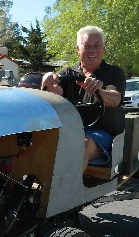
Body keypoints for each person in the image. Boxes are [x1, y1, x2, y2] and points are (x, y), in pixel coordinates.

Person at [41, 25, 126, 170]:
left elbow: (115, 99)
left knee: (81, 145)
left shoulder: (114, 72)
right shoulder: (66, 73)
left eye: (97, 45)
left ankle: (67, 192)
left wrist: (99, 91)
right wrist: (46, 81)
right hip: (68, 130)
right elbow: (50, 96)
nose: (92, 50)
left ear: (103, 48)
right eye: (87, 46)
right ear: (78, 49)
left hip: (101, 133)